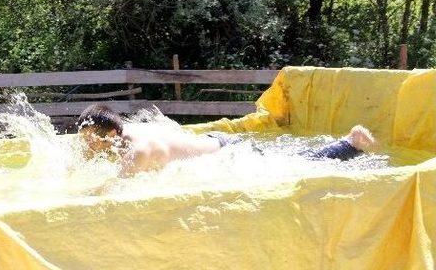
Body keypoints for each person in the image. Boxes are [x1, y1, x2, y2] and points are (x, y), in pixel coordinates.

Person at [76, 104, 378, 176]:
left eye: (92, 139)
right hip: (211, 142)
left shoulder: (138, 151)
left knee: (295, 166)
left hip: (227, 153)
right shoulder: (120, 136)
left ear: (113, 134)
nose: (87, 146)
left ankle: (350, 143)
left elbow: (111, 192)